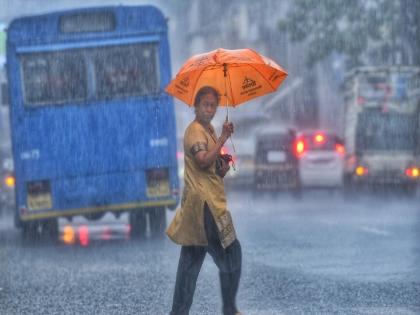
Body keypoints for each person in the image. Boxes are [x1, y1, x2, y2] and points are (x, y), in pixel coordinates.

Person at [167, 86, 242, 315]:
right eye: (205, 105)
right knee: (232, 254)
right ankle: (229, 309)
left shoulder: (207, 130)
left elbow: (211, 169)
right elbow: (201, 160)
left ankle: (178, 312)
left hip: (206, 206)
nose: (209, 109)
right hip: (205, 208)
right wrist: (222, 138)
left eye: (213, 105)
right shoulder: (195, 131)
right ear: (196, 106)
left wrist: (222, 166)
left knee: (190, 263)